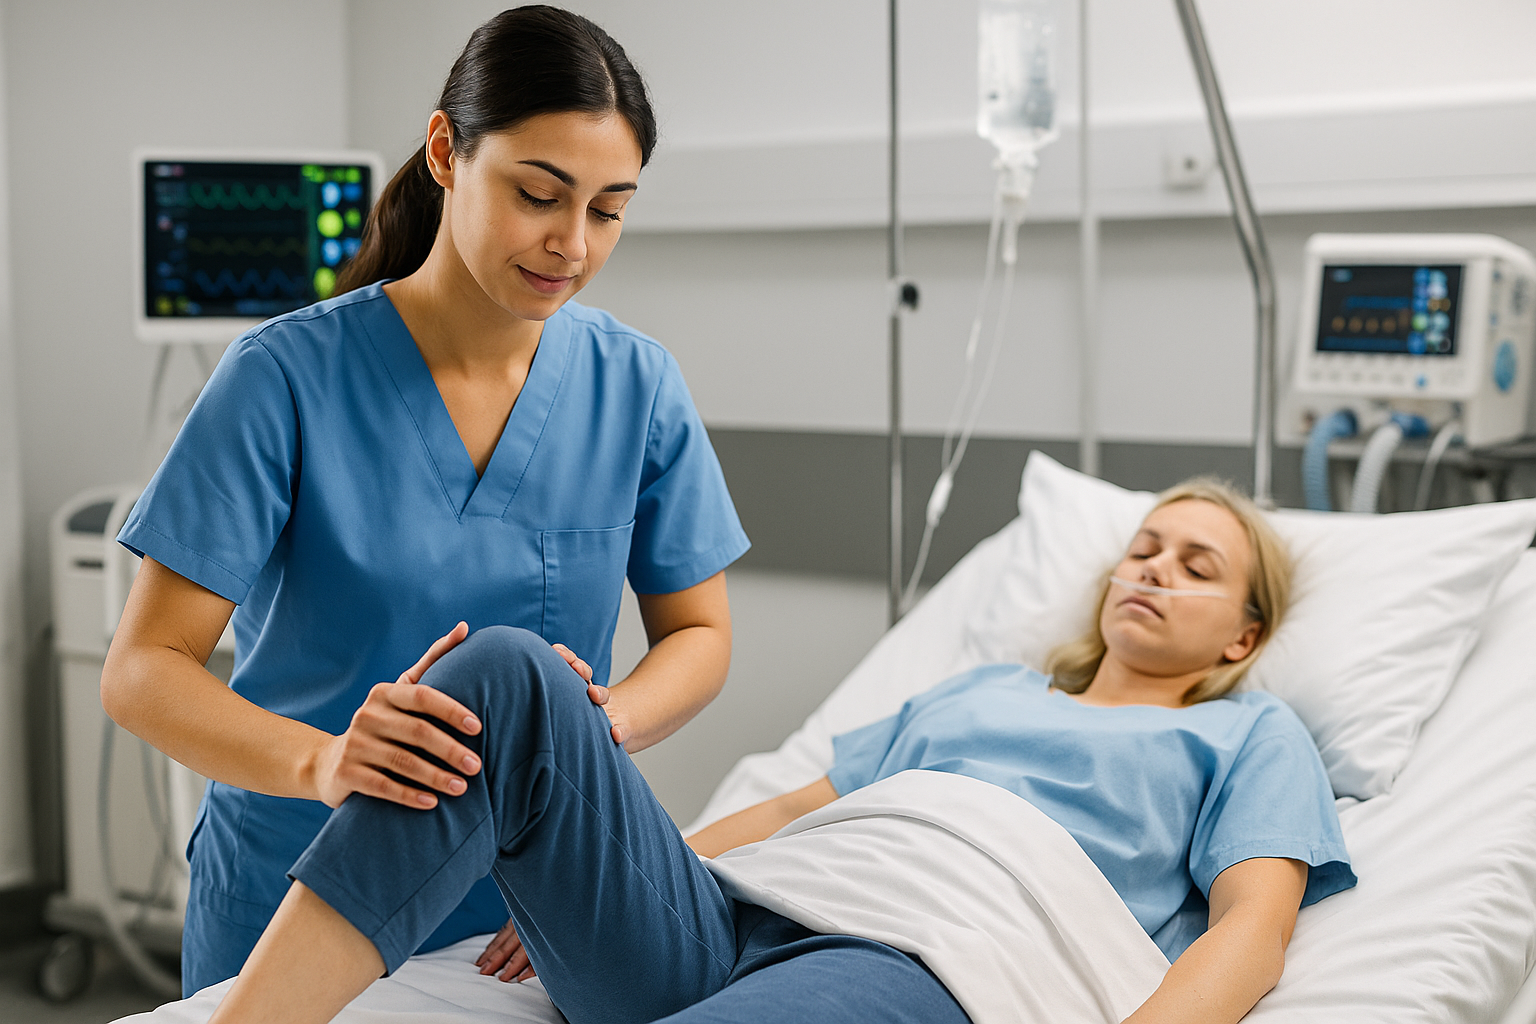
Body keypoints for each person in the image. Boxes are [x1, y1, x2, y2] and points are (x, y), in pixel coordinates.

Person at [100, 6, 750, 997]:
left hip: (518, 914)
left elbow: (700, 631)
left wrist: (583, 760)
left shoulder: (636, 386)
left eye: (609, 209)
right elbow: (144, 669)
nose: (571, 244)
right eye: (539, 194)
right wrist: (327, 764)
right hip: (290, 888)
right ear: (446, 151)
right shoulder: (283, 378)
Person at [198, 478, 1356, 1024]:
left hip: (931, 954)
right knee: (512, 672)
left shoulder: (1246, 731)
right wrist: (612, 878)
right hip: (737, 912)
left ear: (1245, 635)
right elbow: (798, 803)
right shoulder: (979, 690)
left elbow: (1251, 933)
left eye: (1198, 566)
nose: (1152, 568)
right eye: (1144, 548)